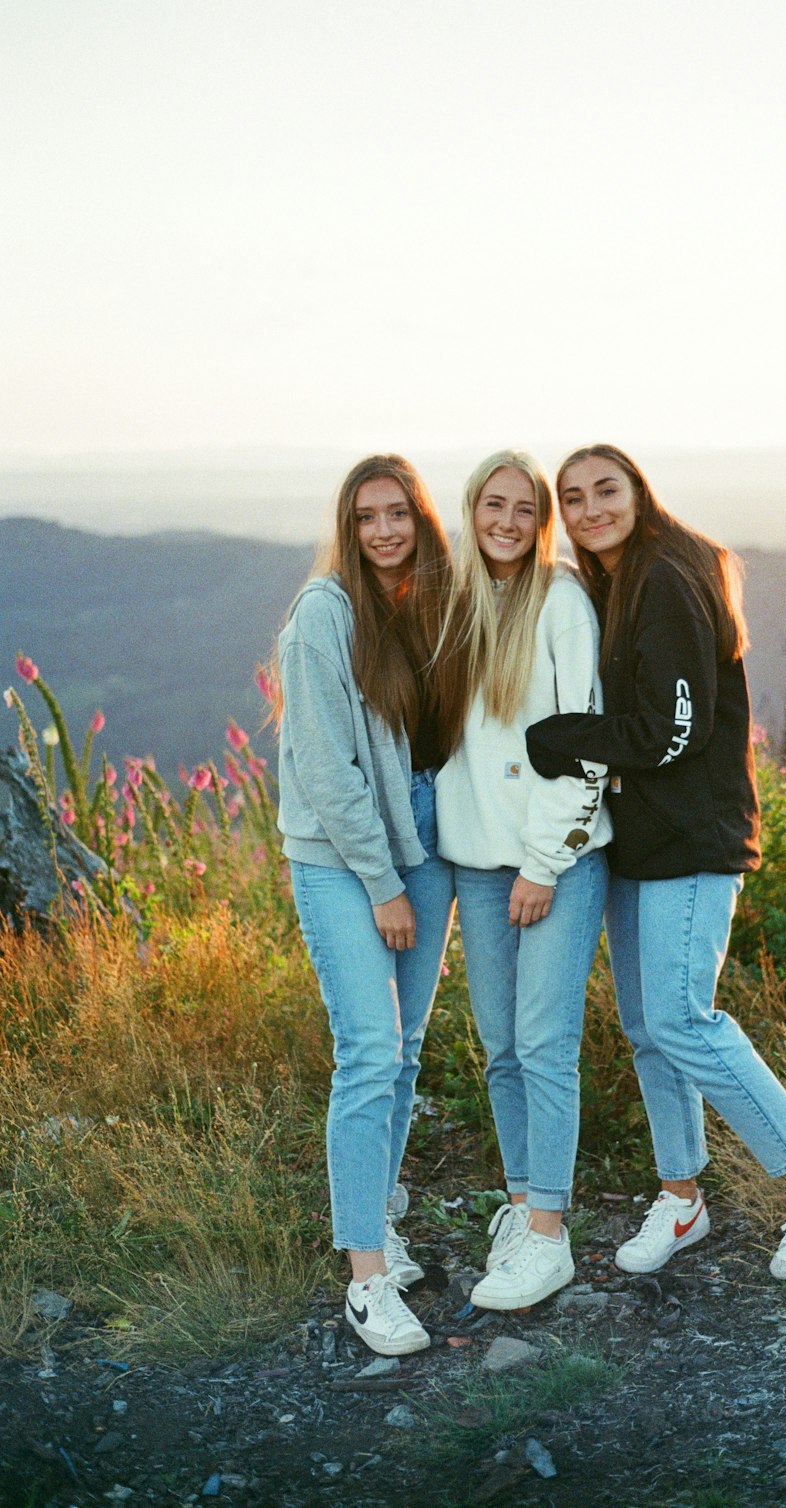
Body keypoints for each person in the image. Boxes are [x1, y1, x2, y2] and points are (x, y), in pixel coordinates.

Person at [525, 444, 786, 1281]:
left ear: (639, 493)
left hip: (693, 838)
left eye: (606, 490)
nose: (590, 508)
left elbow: (670, 733)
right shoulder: (620, 581)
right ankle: (684, 1197)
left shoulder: (669, 580)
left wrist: (557, 739)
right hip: (643, 842)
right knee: (650, 1031)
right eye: (573, 498)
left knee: (682, 1020)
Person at [275, 454, 455, 1355]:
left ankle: (381, 1227)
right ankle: (366, 1281)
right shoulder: (324, 614)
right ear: (347, 528)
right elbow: (325, 769)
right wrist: (383, 883)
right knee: (369, 1051)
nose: (385, 531)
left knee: (406, 1051)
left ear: (421, 521)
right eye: (368, 517)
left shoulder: (425, 605)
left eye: (400, 514)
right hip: (345, 857)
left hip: (422, 840)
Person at [434, 450, 612, 1309]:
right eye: (491, 505)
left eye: (523, 508)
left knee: (544, 1045)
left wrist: (545, 866)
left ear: (541, 520)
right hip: (475, 862)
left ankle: (551, 1234)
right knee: (502, 1046)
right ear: (470, 511)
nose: (506, 521)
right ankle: (519, 1203)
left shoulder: (562, 604)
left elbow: (585, 743)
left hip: (558, 862)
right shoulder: (457, 603)